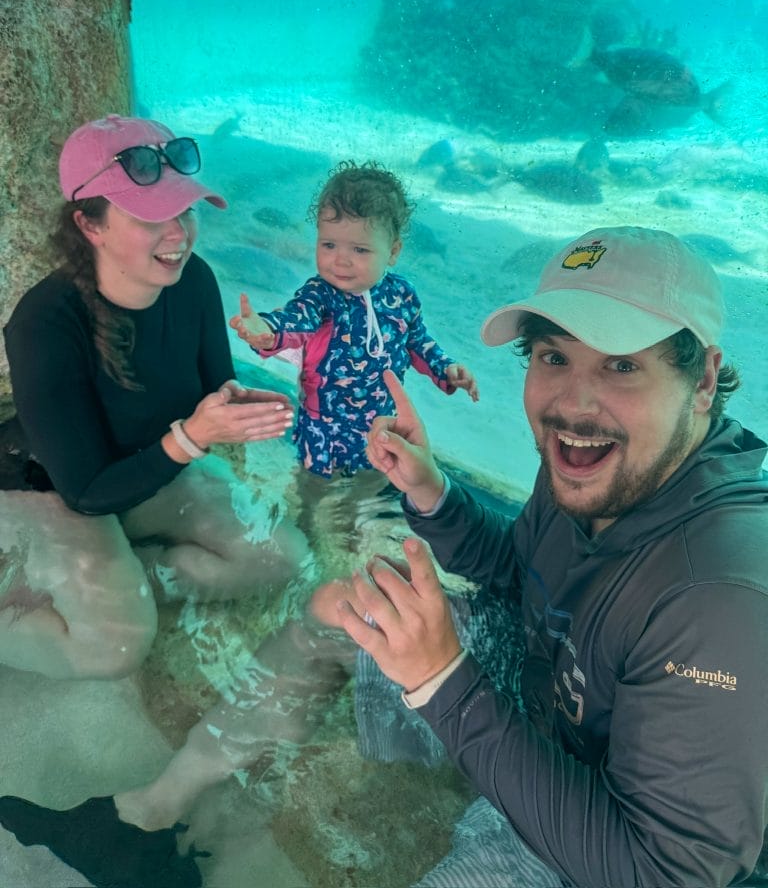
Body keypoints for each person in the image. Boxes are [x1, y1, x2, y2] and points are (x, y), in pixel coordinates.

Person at [316, 226, 768, 887]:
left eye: (621, 365)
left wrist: (445, 684)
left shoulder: (720, 597)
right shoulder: (598, 464)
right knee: (344, 618)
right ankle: (169, 803)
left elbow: (661, 873)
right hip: (552, 712)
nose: (572, 406)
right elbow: (525, 575)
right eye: (553, 357)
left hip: (609, 829)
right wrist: (434, 492)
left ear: (701, 379)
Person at [0, 114, 312, 888]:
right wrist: (195, 437)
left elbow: (207, 391)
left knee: (282, 555)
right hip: (52, 489)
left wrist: (240, 405)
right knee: (111, 646)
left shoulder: (195, 282)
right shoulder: (44, 322)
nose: (177, 233)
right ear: (90, 224)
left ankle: (126, 578)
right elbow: (84, 487)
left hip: (147, 469)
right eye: (148, 217)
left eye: (183, 210)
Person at [229, 159, 479, 482]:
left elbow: (417, 342)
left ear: (392, 252)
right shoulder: (321, 294)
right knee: (312, 487)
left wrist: (447, 369)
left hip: (381, 422)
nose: (341, 259)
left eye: (360, 249)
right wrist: (266, 331)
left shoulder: (402, 295)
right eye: (329, 244)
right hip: (324, 425)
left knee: (371, 484)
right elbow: (296, 319)